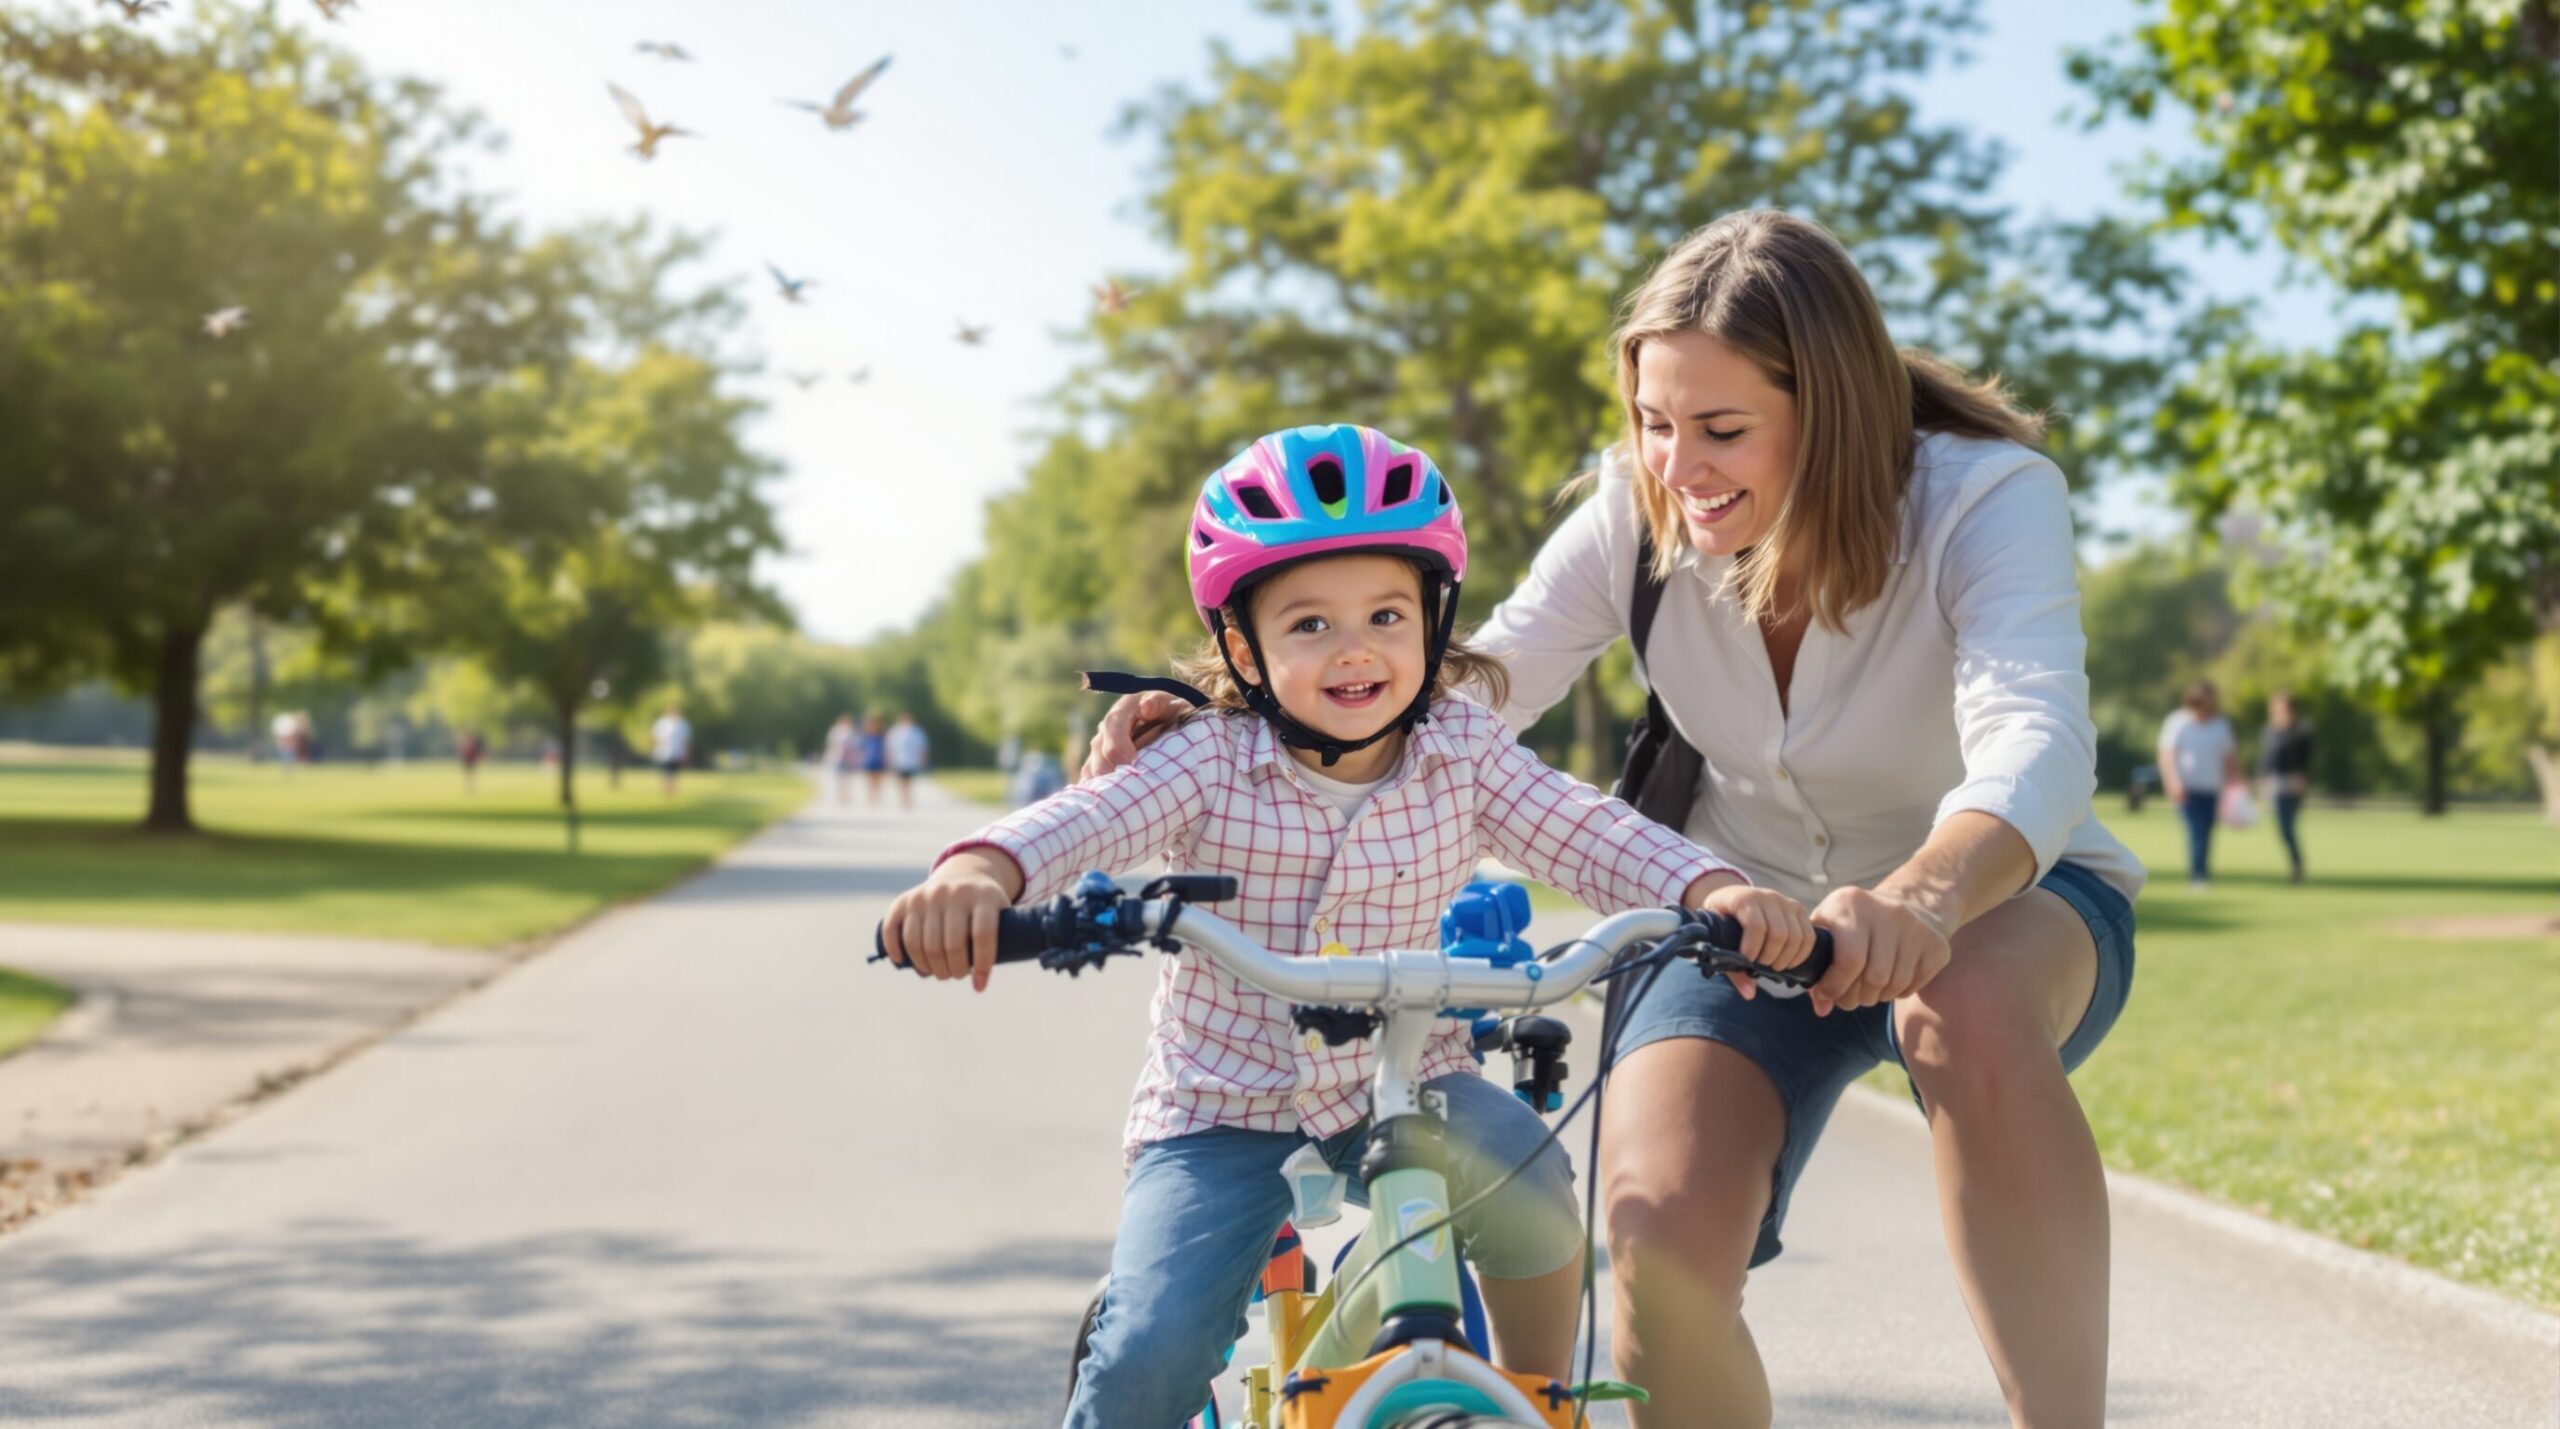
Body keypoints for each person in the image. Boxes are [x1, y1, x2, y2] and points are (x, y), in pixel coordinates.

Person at [1089, 214, 2144, 1429]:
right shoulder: (1631, 514)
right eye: (1654, 421)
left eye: (1723, 429)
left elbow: (2036, 736)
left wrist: (1921, 896)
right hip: (1738, 914)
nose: (1677, 462)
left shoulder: (1983, 500)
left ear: (1837, 408)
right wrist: (1225, 708)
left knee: (1957, 1011)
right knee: (1655, 1246)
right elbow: (1464, 681)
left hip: (1996, 899)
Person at [885, 424, 1815, 1429]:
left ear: (1433, 619)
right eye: (1309, 624)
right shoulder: (1206, 758)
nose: (1356, 647)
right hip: (1223, 1101)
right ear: (1243, 647)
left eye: (1384, 612)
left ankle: (1535, 1397)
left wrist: (1711, 889)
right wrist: (982, 869)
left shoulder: (1462, 745)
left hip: (1415, 1078)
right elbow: (1084, 819)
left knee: (1535, 1185)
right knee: (1148, 1356)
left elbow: (1582, 829)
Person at [2158, 680, 2239, 890]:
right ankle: (2198, 875)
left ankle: (2201, 872)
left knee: (2207, 831)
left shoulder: (2220, 725)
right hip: (2187, 787)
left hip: (2212, 787)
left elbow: (2228, 757)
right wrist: (2173, 782)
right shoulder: (2178, 722)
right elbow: (2167, 755)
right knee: (2196, 830)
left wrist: (2234, 784)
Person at [2259, 690, 2314, 882]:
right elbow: (2266, 760)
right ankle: (2296, 864)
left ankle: (2297, 866)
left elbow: (2305, 760)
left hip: (2293, 782)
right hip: (2276, 782)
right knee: (2283, 828)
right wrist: (2263, 783)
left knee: (2288, 826)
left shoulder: (2301, 731)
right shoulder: (2270, 731)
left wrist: (2302, 781)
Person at [885, 711, 929, 810]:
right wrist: (889, 759)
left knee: (909, 780)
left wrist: (923, 758)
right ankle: (903, 798)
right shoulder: (895, 731)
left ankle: (907, 798)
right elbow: (890, 747)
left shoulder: (917, 732)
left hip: (911, 760)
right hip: (899, 760)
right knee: (901, 781)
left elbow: (922, 747)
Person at [649, 704, 691, 798]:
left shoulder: (683, 724)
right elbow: (654, 738)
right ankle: (667, 792)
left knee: (674, 774)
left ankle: (671, 792)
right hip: (663, 753)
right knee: (666, 773)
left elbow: (686, 741)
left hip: (677, 753)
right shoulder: (661, 723)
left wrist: (686, 755)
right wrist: (653, 750)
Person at [823, 713, 860, 807]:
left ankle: (846, 796)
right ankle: (840, 796)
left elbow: (855, 745)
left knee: (847, 778)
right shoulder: (835, 731)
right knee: (839, 778)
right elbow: (831, 744)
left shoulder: (851, 732)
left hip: (849, 759)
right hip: (838, 757)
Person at [857, 715, 888, 806]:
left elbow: (886, 749)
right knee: (869, 780)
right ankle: (871, 798)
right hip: (869, 760)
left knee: (878, 780)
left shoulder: (882, 737)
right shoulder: (866, 736)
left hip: (879, 760)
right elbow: (860, 747)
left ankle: (877, 798)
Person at [458, 728, 487, 794]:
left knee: (471, 774)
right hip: (467, 760)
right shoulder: (467, 742)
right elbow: (463, 752)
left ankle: (470, 787)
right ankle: (469, 787)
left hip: (470, 760)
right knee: (469, 775)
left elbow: (476, 751)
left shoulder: (472, 742)